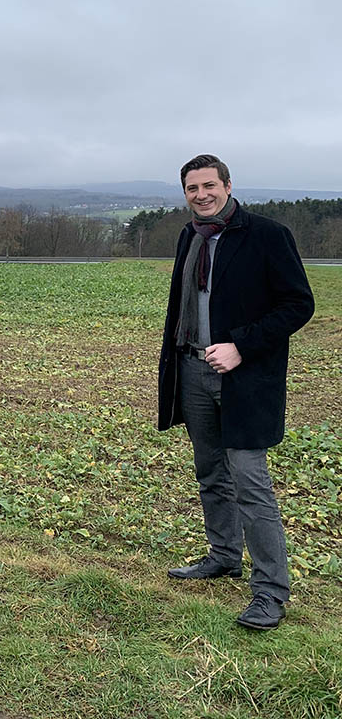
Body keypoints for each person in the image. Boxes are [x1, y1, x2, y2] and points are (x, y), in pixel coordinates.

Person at [158, 154, 314, 630]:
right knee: (210, 474)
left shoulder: (267, 235)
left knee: (251, 484)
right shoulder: (190, 235)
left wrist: (241, 346)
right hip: (193, 371)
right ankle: (223, 556)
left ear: (228, 184)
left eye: (209, 185)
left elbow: (298, 304)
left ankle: (270, 591)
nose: (201, 195)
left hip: (244, 379)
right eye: (192, 188)